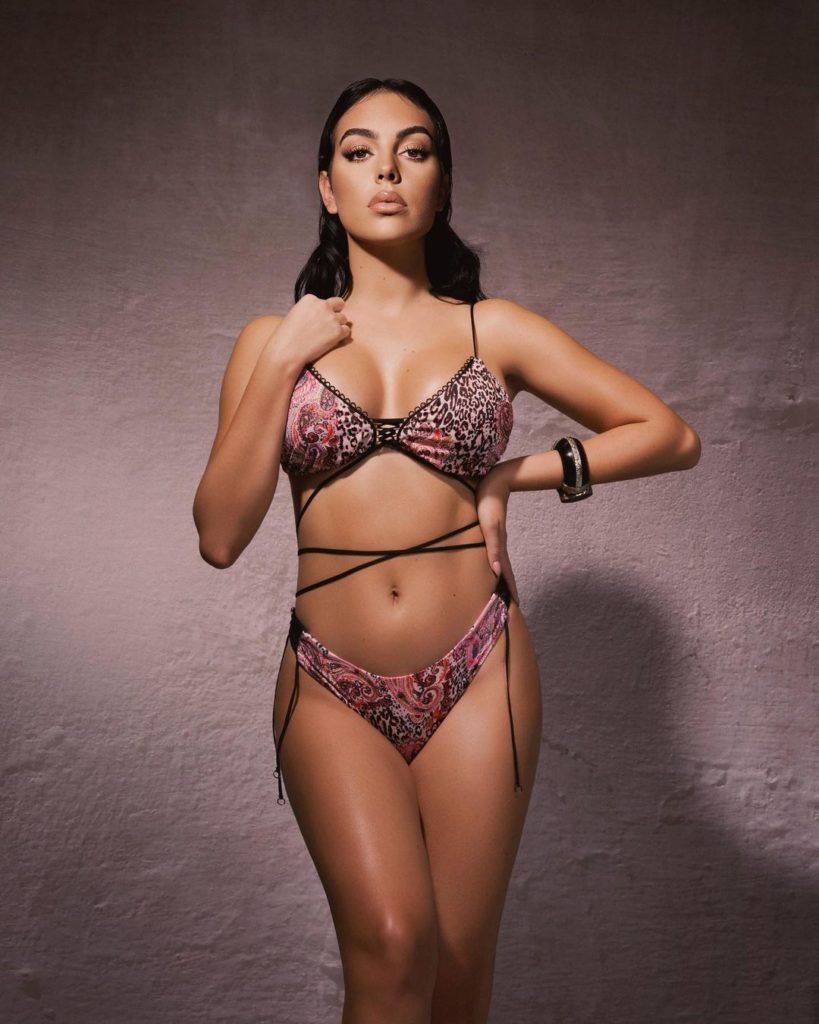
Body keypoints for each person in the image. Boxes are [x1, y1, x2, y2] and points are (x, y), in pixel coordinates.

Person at [192, 77, 701, 1024]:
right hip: (329, 681)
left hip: (481, 668)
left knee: (459, 978)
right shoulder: (271, 341)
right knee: (393, 947)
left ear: (440, 183)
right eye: (359, 152)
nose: (386, 169)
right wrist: (285, 356)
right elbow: (220, 535)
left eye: (413, 150)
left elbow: (668, 435)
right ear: (327, 186)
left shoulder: (489, 329)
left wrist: (514, 476)